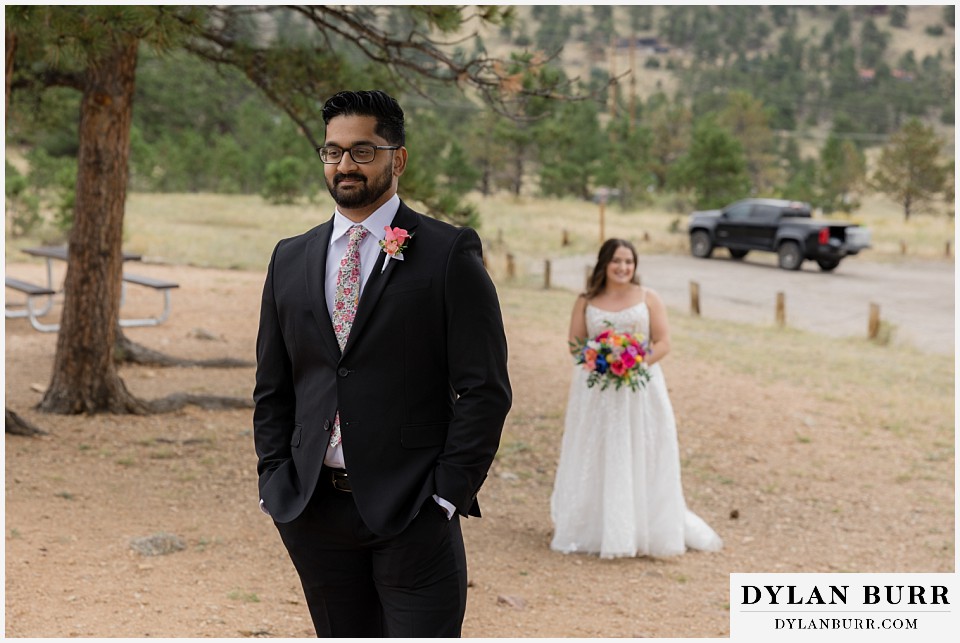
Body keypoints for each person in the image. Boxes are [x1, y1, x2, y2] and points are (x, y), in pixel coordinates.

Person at [253, 89, 512, 637]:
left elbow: (485, 388)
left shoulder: (447, 254)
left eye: (362, 150)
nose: (345, 164)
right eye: (333, 151)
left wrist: (446, 492)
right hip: (313, 512)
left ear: (398, 158)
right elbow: (273, 387)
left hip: (413, 510)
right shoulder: (290, 257)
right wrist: (273, 479)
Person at [550, 238, 722, 559]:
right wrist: (600, 359)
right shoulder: (587, 300)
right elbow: (575, 343)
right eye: (617, 261)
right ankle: (595, 525)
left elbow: (663, 342)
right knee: (597, 450)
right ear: (604, 263)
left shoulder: (648, 298)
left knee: (643, 450)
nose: (623, 267)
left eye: (629, 262)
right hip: (597, 390)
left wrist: (632, 362)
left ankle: (644, 525)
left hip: (640, 389)